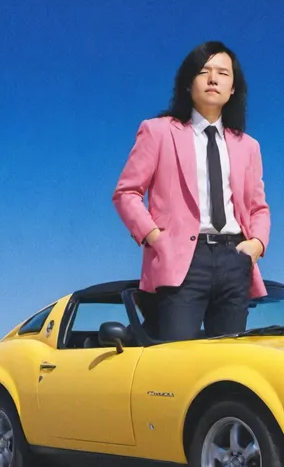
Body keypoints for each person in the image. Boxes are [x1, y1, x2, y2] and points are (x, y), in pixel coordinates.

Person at [112, 41, 270, 341]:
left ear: (233, 88)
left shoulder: (248, 146)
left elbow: (258, 207)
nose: (213, 79)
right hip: (182, 259)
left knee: (230, 363)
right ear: (188, 83)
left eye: (223, 73)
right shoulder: (158, 131)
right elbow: (126, 193)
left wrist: (256, 246)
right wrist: (157, 238)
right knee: (177, 362)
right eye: (203, 71)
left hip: (235, 257)